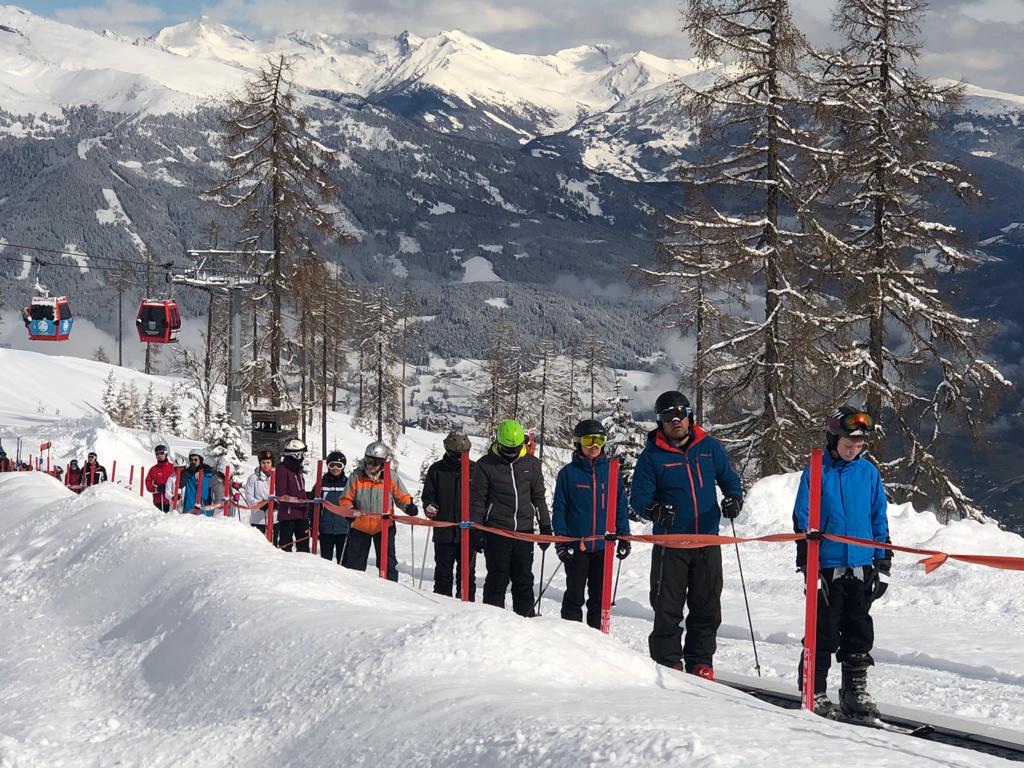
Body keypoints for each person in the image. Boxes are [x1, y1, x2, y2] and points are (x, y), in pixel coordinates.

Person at [631, 391, 744, 681]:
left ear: (689, 416)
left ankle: (700, 662)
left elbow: (730, 480)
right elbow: (638, 498)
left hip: (707, 541)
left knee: (707, 607)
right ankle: (668, 662)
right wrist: (655, 510)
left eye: (680, 415)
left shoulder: (709, 448)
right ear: (660, 422)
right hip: (671, 544)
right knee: (667, 608)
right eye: (668, 417)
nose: (676, 421)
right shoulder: (652, 457)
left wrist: (734, 498)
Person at [793, 406, 891, 720]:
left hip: (861, 567)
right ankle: (814, 690)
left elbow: (878, 517)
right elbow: (802, 518)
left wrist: (883, 563)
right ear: (833, 439)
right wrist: (808, 567)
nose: (853, 450)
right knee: (823, 631)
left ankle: (854, 691)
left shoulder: (868, 473)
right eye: (848, 444)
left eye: (859, 445)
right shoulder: (817, 470)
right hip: (827, 567)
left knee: (858, 631)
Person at [552, 419, 630, 629]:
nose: (594, 446)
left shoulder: (611, 472)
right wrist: (561, 540)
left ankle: (597, 641)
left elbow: (620, 505)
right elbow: (559, 508)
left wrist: (624, 536)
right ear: (578, 443)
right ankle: (572, 637)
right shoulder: (568, 474)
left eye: (599, 440)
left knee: (599, 599)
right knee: (574, 596)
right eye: (588, 441)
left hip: (604, 547)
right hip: (577, 546)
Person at [470, 419, 552, 617]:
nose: (511, 453)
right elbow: (478, 500)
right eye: (507, 449)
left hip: (524, 532)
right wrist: (476, 529)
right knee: (497, 578)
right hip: (497, 531)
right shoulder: (485, 465)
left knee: (523, 579)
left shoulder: (531, 464)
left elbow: (538, 498)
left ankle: (526, 621)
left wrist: (545, 527)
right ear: (498, 443)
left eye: (515, 448)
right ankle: (493, 621)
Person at [338, 442, 417, 581]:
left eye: (375, 462)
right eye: (368, 460)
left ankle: (390, 587)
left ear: (383, 462)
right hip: (360, 526)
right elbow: (346, 498)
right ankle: (353, 587)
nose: (371, 465)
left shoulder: (391, 477)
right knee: (354, 563)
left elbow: (401, 496)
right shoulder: (357, 476)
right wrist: (349, 512)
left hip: (384, 527)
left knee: (387, 563)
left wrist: (408, 506)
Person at [422, 432, 476, 600]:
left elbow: (482, 498)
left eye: (463, 454)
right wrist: (430, 506)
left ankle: (468, 607)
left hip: (468, 533)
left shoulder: (475, 470)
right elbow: (428, 494)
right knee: (443, 574)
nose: (460, 458)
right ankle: (442, 606)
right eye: (456, 454)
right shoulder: (437, 470)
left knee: (467, 577)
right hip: (444, 532)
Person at [275, 439, 311, 552]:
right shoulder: (282, 469)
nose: (303, 457)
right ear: (296, 455)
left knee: (304, 547)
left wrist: (308, 497)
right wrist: (300, 500)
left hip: (302, 514)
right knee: (286, 547)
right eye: (302, 454)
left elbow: (299, 490)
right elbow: (281, 494)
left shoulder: (298, 469)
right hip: (288, 515)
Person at [318, 450, 349, 563]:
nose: (335, 468)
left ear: (343, 467)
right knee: (325, 562)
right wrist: (313, 525)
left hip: (344, 529)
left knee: (344, 562)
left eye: (339, 465)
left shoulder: (348, 484)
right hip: (326, 529)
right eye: (332, 465)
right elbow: (313, 507)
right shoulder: (321, 484)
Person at [244, 450, 274, 534]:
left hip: (274, 519)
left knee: (273, 541)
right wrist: (260, 504)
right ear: (260, 463)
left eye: (268, 462)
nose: (266, 465)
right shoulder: (253, 478)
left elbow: (280, 494)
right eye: (263, 463)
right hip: (258, 519)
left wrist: (276, 503)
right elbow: (248, 496)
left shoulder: (276, 477)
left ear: (271, 463)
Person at [179, 450, 214, 514]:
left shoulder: (208, 473)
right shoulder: (186, 473)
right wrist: (188, 472)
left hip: (204, 507)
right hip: (189, 507)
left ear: (201, 460)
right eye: (191, 460)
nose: (193, 462)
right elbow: (180, 485)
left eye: (195, 460)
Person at [144, 444, 176, 512]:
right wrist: (157, 489)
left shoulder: (173, 467)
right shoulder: (153, 469)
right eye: (157, 454)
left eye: (161, 453)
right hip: (159, 502)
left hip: (172, 501)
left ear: (166, 453)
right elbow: (148, 483)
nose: (159, 455)